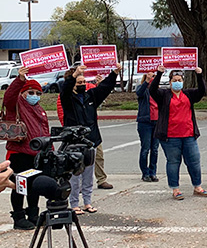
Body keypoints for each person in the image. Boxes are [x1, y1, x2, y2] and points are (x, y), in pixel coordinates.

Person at [61, 64, 120, 214]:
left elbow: (105, 88)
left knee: (88, 175)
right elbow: (65, 89)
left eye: (83, 82)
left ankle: (87, 202)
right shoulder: (68, 99)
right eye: (78, 83)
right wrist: (74, 75)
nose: (81, 85)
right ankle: (74, 204)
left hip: (91, 141)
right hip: (74, 143)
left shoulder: (90, 96)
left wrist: (114, 73)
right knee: (75, 177)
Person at [149, 66, 207, 200]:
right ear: (170, 82)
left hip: (188, 135)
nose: (177, 82)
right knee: (173, 162)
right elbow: (152, 90)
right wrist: (159, 73)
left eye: (180, 80)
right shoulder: (163, 95)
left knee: (194, 161)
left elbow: (202, 91)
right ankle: (175, 189)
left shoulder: (188, 94)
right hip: (170, 137)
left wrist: (199, 75)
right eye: (175, 80)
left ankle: (197, 186)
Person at [3, 67, 48, 229]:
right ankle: (18, 217)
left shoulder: (40, 110)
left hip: (36, 154)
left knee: (34, 185)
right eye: (30, 92)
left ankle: (33, 215)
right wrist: (20, 80)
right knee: (19, 186)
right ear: (23, 93)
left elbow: (45, 132)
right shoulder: (15, 105)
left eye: (38, 93)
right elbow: (8, 97)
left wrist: (48, 150)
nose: (34, 96)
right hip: (19, 153)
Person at [136, 72, 160, 182]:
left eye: (154, 76)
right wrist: (146, 81)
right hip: (145, 122)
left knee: (154, 149)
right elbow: (139, 93)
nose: (151, 78)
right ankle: (145, 173)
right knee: (145, 149)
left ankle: (152, 172)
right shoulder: (142, 89)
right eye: (149, 76)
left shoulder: (158, 91)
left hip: (157, 122)